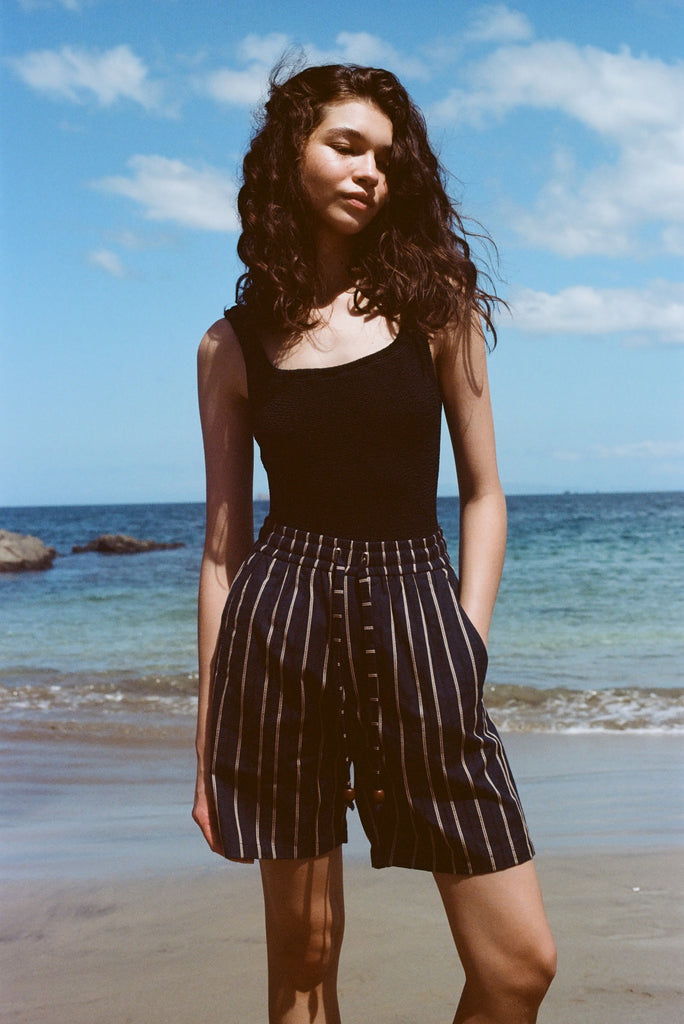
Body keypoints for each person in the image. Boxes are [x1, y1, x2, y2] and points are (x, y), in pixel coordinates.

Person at [192, 62, 556, 1024]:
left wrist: (465, 638)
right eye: (345, 146)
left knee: (520, 967)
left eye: (387, 159)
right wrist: (207, 745)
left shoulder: (438, 308)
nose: (369, 172)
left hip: (419, 622)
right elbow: (224, 553)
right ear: (288, 156)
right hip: (280, 635)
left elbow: (484, 493)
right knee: (304, 968)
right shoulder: (231, 347)